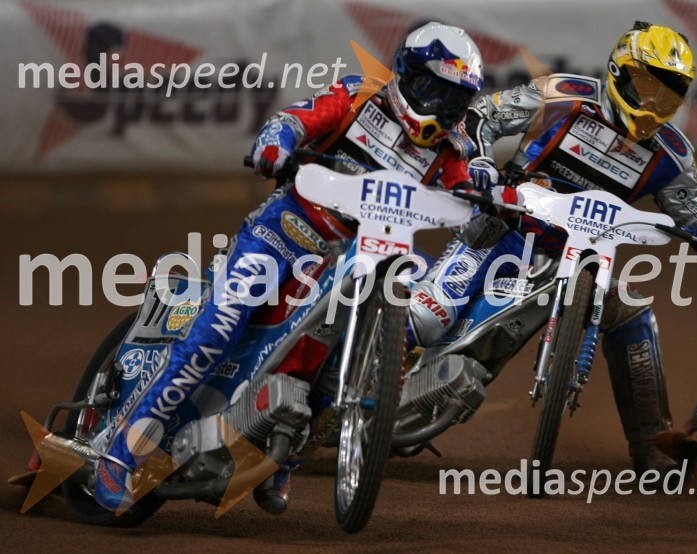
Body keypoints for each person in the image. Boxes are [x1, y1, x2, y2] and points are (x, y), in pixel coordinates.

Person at [93, 21, 484, 514]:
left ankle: (282, 454)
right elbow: (294, 120)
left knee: (334, 363)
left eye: (455, 101)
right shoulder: (358, 96)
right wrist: (274, 146)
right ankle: (122, 450)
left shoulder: (454, 146)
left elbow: (469, 187)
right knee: (218, 329)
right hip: (285, 230)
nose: (441, 109)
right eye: (434, 91)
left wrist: (488, 199)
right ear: (405, 74)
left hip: (358, 258)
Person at [408, 21, 697, 474]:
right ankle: (352, 382)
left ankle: (652, 443)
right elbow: (480, 115)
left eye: (668, 96)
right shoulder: (562, 94)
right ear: (618, 73)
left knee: (632, 311)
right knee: (427, 316)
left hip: (584, 260)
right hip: (505, 230)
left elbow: (695, 211)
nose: (654, 105)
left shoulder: (674, 154)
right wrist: (480, 161)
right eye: (646, 86)